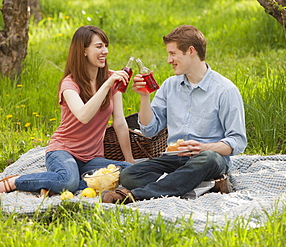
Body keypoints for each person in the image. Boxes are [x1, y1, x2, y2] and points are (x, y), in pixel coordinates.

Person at [102, 25, 247, 204]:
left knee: (207, 160)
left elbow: (237, 141)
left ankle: (137, 196)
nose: (168, 60)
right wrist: (144, 97)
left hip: (209, 159)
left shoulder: (225, 90)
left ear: (191, 51)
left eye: (173, 53)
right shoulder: (170, 86)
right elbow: (149, 130)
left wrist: (203, 148)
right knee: (129, 175)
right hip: (174, 158)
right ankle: (205, 185)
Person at [0, 25, 134, 196]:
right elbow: (83, 116)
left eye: (105, 46)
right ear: (83, 51)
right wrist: (106, 86)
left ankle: (52, 184)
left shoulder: (111, 80)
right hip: (63, 151)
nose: (105, 51)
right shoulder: (70, 84)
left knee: (129, 172)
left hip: (91, 158)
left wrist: (129, 160)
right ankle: (17, 181)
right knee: (68, 181)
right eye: (99, 46)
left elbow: (119, 122)